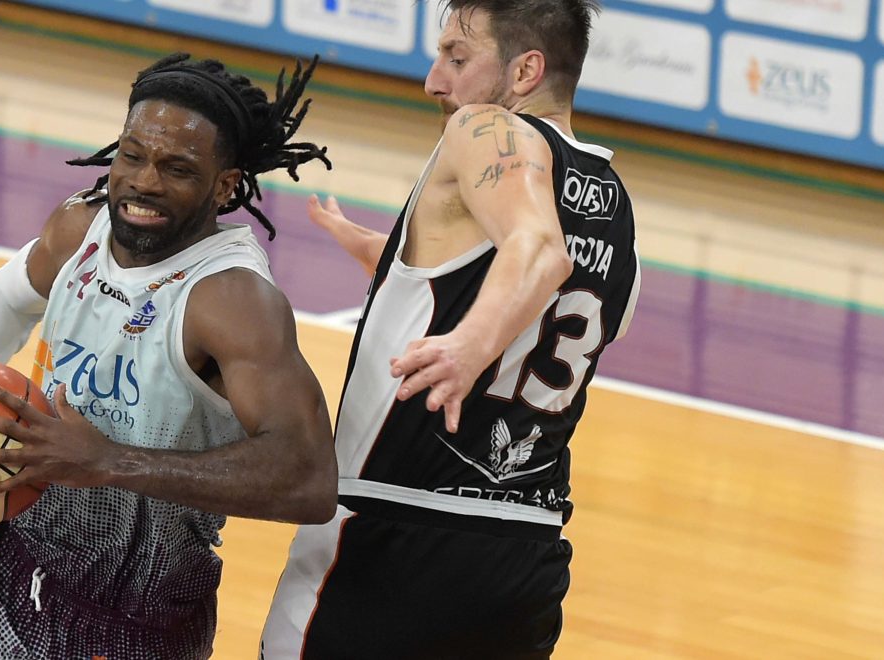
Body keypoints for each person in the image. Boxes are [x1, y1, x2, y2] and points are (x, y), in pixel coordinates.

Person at [0, 53, 337, 660]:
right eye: (132, 155)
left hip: (128, 626)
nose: (144, 182)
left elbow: (307, 477)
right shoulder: (79, 230)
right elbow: (0, 296)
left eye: (177, 168)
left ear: (224, 186)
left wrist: (109, 461)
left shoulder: (232, 301)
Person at [261, 1, 641, 658]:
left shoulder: (484, 127)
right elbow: (540, 300)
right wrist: (391, 258)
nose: (434, 80)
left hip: (394, 531)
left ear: (524, 72)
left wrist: (468, 348)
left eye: (457, 58)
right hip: (525, 556)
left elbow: (538, 251)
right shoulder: (616, 204)